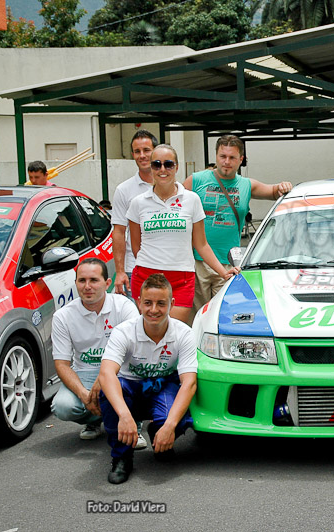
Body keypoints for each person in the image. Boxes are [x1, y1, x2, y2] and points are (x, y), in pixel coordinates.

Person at [99, 273, 198, 484]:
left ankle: (159, 436)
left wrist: (169, 426)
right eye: (148, 303)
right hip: (130, 387)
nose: (154, 310)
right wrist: (125, 416)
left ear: (171, 304)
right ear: (138, 303)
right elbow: (106, 373)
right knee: (109, 393)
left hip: (163, 386)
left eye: (161, 303)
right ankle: (121, 456)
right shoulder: (123, 332)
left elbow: (189, 383)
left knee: (180, 412)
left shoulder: (185, 333)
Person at [183, 135, 292, 319]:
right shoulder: (195, 181)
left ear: (241, 159)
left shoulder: (246, 185)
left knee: (222, 317)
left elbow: (274, 192)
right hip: (195, 262)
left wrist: (283, 186)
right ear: (216, 156)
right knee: (196, 319)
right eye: (222, 156)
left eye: (232, 157)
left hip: (229, 264)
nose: (226, 162)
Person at [127, 144, 238, 324]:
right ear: (151, 167)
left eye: (168, 164)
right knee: (149, 333)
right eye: (157, 164)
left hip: (181, 278)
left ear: (177, 167)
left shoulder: (192, 199)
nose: (162, 169)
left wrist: (223, 272)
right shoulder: (138, 203)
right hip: (146, 277)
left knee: (174, 334)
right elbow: (136, 246)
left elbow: (201, 244)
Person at [50, 258, 144, 448]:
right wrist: (85, 395)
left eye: (94, 280)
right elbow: (62, 364)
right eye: (81, 280)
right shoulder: (62, 316)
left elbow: (134, 352)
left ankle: (134, 424)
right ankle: (93, 421)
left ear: (107, 283)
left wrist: (103, 379)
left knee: (133, 381)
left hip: (121, 370)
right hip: (84, 373)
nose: (87, 287)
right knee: (62, 407)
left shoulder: (124, 306)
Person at [112, 130, 158, 299]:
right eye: (137, 151)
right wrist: (120, 271)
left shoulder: (173, 187)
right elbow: (118, 232)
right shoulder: (124, 190)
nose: (142, 155)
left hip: (167, 267)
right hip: (135, 269)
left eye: (146, 150)